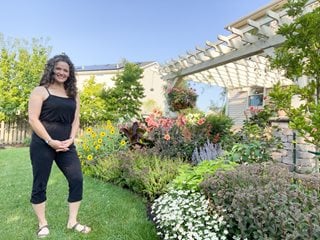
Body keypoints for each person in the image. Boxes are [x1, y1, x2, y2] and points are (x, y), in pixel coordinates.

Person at [28, 54, 91, 238]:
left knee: (76, 179)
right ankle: (42, 224)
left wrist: (71, 139)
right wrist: (50, 141)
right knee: (40, 182)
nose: (62, 72)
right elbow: (33, 119)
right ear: (52, 69)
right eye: (59, 69)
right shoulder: (40, 91)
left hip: (66, 145)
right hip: (43, 144)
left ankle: (73, 221)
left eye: (66, 70)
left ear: (69, 73)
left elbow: (76, 120)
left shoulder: (73, 95)